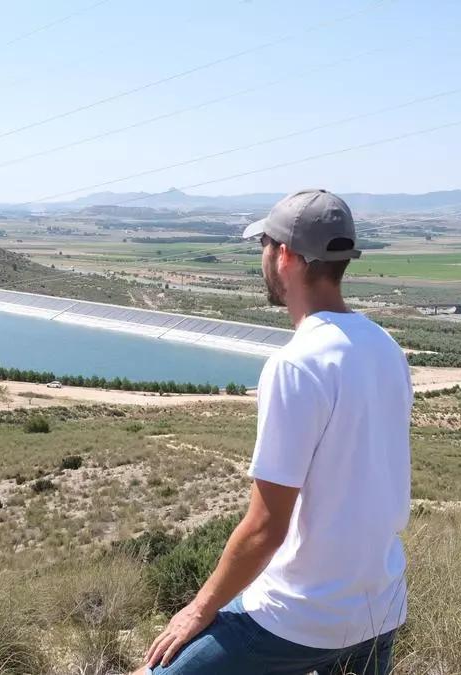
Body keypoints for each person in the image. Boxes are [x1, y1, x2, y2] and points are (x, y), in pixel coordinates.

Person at [137, 189, 412, 675]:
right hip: (379, 609)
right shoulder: (385, 346)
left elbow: (266, 526)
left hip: (299, 618)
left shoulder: (297, 364)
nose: (262, 257)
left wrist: (198, 609)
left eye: (264, 244)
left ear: (285, 255)